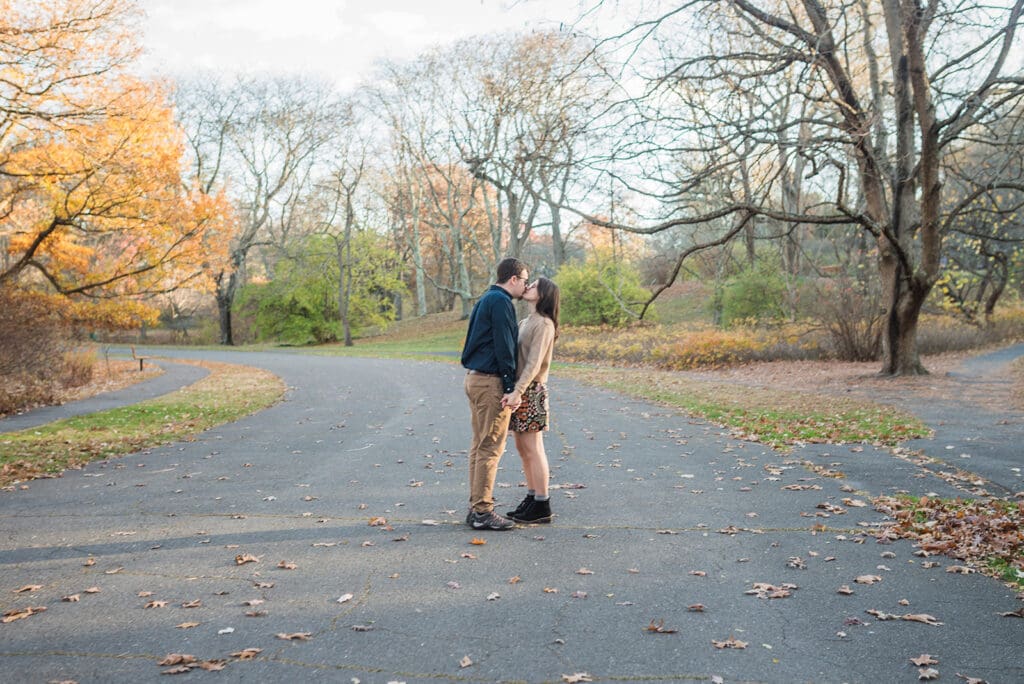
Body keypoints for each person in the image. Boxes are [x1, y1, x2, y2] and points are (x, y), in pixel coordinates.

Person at [460, 257, 530, 531]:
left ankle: (476, 506)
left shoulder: (486, 299)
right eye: (524, 280)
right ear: (513, 279)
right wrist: (510, 387)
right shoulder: (501, 302)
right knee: (490, 447)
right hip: (490, 382)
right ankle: (482, 512)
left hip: (475, 378)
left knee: (479, 445)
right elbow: (504, 346)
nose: (525, 286)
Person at [506, 276, 560, 524]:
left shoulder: (545, 324)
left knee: (533, 448)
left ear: (544, 294)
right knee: (522, 448)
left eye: (534, 285)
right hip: (520, 389)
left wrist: (518, 391)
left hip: (531, 390)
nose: (528, 287)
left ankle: (542, 503)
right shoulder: (526, 321)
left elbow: (534, 363)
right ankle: (531, 496)